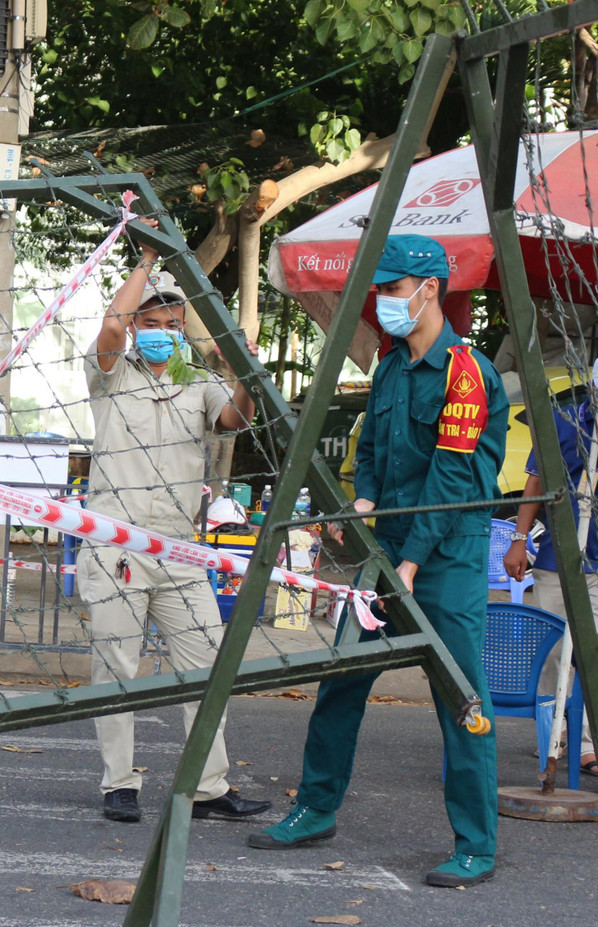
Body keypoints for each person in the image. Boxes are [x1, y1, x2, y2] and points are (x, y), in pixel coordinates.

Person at [249, 234, 509, 888]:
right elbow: (371, 450)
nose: (384, 303)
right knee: (342, 678)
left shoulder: (467, 373)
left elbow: (452, 478)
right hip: (387, 552)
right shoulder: (391, 367)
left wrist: (412, 563)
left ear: (429, 291)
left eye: (392, 290)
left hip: (444, 558)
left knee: (461, 697)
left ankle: (476, 842)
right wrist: (361, 498)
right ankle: (315, 806)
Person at [78, 222, 272, 825]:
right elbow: (111, 325)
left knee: (204, 665)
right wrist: (148, 260)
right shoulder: (109, 371)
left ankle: (209, 787)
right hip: (117, 543)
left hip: (181, 548)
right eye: (152, 322)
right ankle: (119, 783)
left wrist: (239, 367)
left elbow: (236, 419)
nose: (161, 333)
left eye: (172, 324)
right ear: (139, 326)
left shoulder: (198, 383)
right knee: (117, 666)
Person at [503, 401, 597, 774]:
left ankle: (585, 744)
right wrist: (519, 538)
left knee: (591, 657)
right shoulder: (562, 420)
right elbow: (536, 481)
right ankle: (552, 736)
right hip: (558, 558)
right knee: (555, 654)